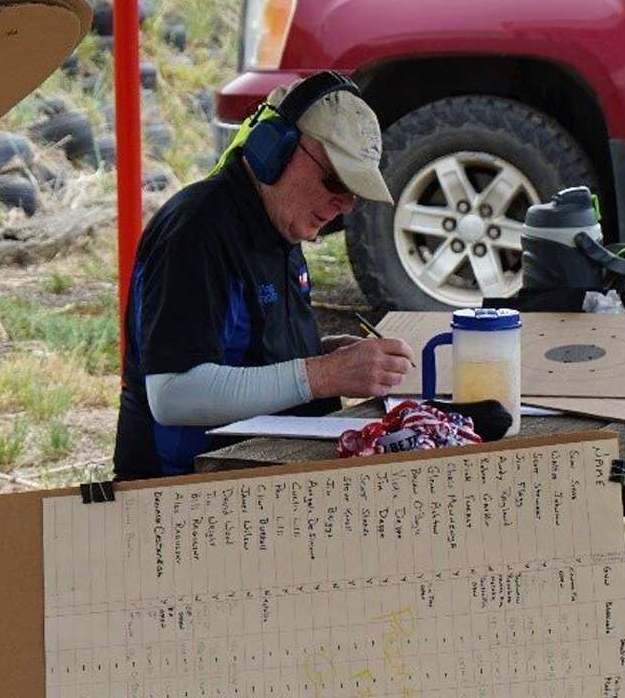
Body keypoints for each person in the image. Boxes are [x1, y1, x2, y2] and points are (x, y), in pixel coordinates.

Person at [113, 71, 416, 480]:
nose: (343, 205)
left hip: (254, 474)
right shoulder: (197, 231)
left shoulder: (278, 224)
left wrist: (320, 353)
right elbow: (173, 394)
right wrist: (326, 375)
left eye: (354, 193)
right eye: (333, 180)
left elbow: (240, 352)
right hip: (182, 492)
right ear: (275, 148)